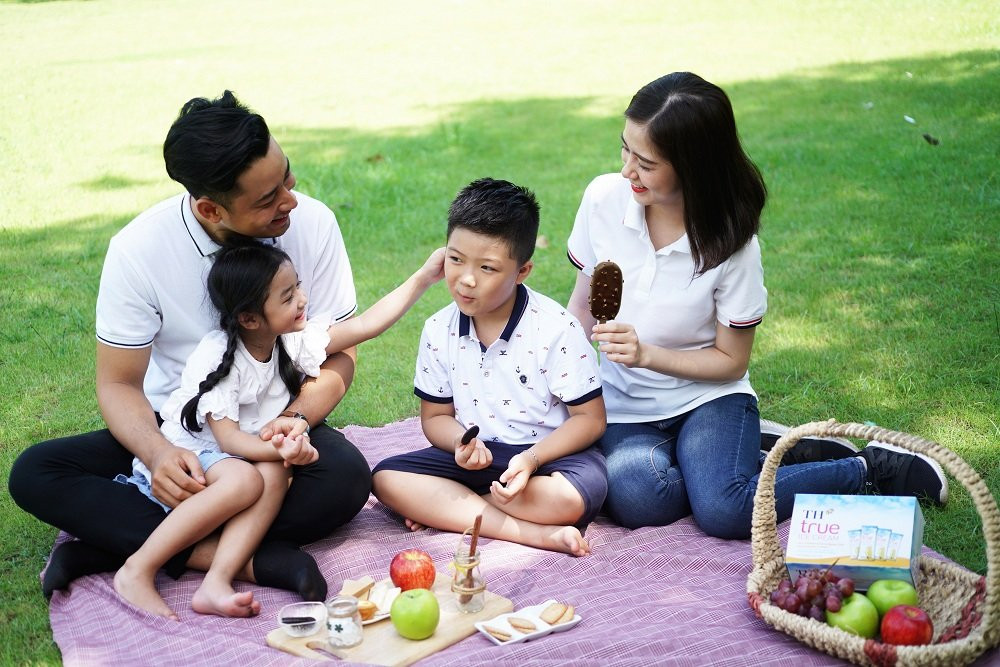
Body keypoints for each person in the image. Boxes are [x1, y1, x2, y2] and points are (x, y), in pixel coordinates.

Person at [8, 91, 371, 601]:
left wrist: (295, 421)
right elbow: (118, 384)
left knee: (346, 479)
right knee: (36, 473)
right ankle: (247, 560)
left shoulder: (313, 222)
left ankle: (115, 549)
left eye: (286, 177)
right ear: (209, 208)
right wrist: (159, 455)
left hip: (273, 422)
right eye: (267, 199)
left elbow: (339, 355)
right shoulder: (138, 251)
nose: (291, 200)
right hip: (180, 427)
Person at [565, 72, 948, 539]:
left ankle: (868, 469)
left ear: (693, 168)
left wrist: (646, 355)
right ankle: (758, 456)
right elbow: (581, 308)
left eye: (645, 163)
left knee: (724, 510)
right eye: (625, 150)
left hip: (708, 398)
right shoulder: (603, 199)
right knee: (640, 498)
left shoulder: (732, 243)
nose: (627, 170)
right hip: (626, 406)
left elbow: (731, 361)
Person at [113, 241, 443, 619]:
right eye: (288, 297)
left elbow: (366, 325)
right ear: (250, 318)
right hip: (192, 454)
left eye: (297, 286)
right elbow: (228, 440)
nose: (302, 299)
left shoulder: (289, 338)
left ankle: (216, 581)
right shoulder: (219, 356)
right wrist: (282, 449)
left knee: (273, 472)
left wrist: (423, 277)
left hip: (237, 454)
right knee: (246, 480)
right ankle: (136, 569)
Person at [372, 178, 607, 557]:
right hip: (475, 461)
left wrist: (531, 459)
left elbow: (590, 420)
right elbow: (435, 417)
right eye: (455, 259)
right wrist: (460, 444)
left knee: (570, 498)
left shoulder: (556, 328)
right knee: (387, 479)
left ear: (522, 271)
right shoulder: (438, 329)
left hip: (549, 459)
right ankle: (533, 534)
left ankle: (452, 509)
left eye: (487, 268)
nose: (466, 279)